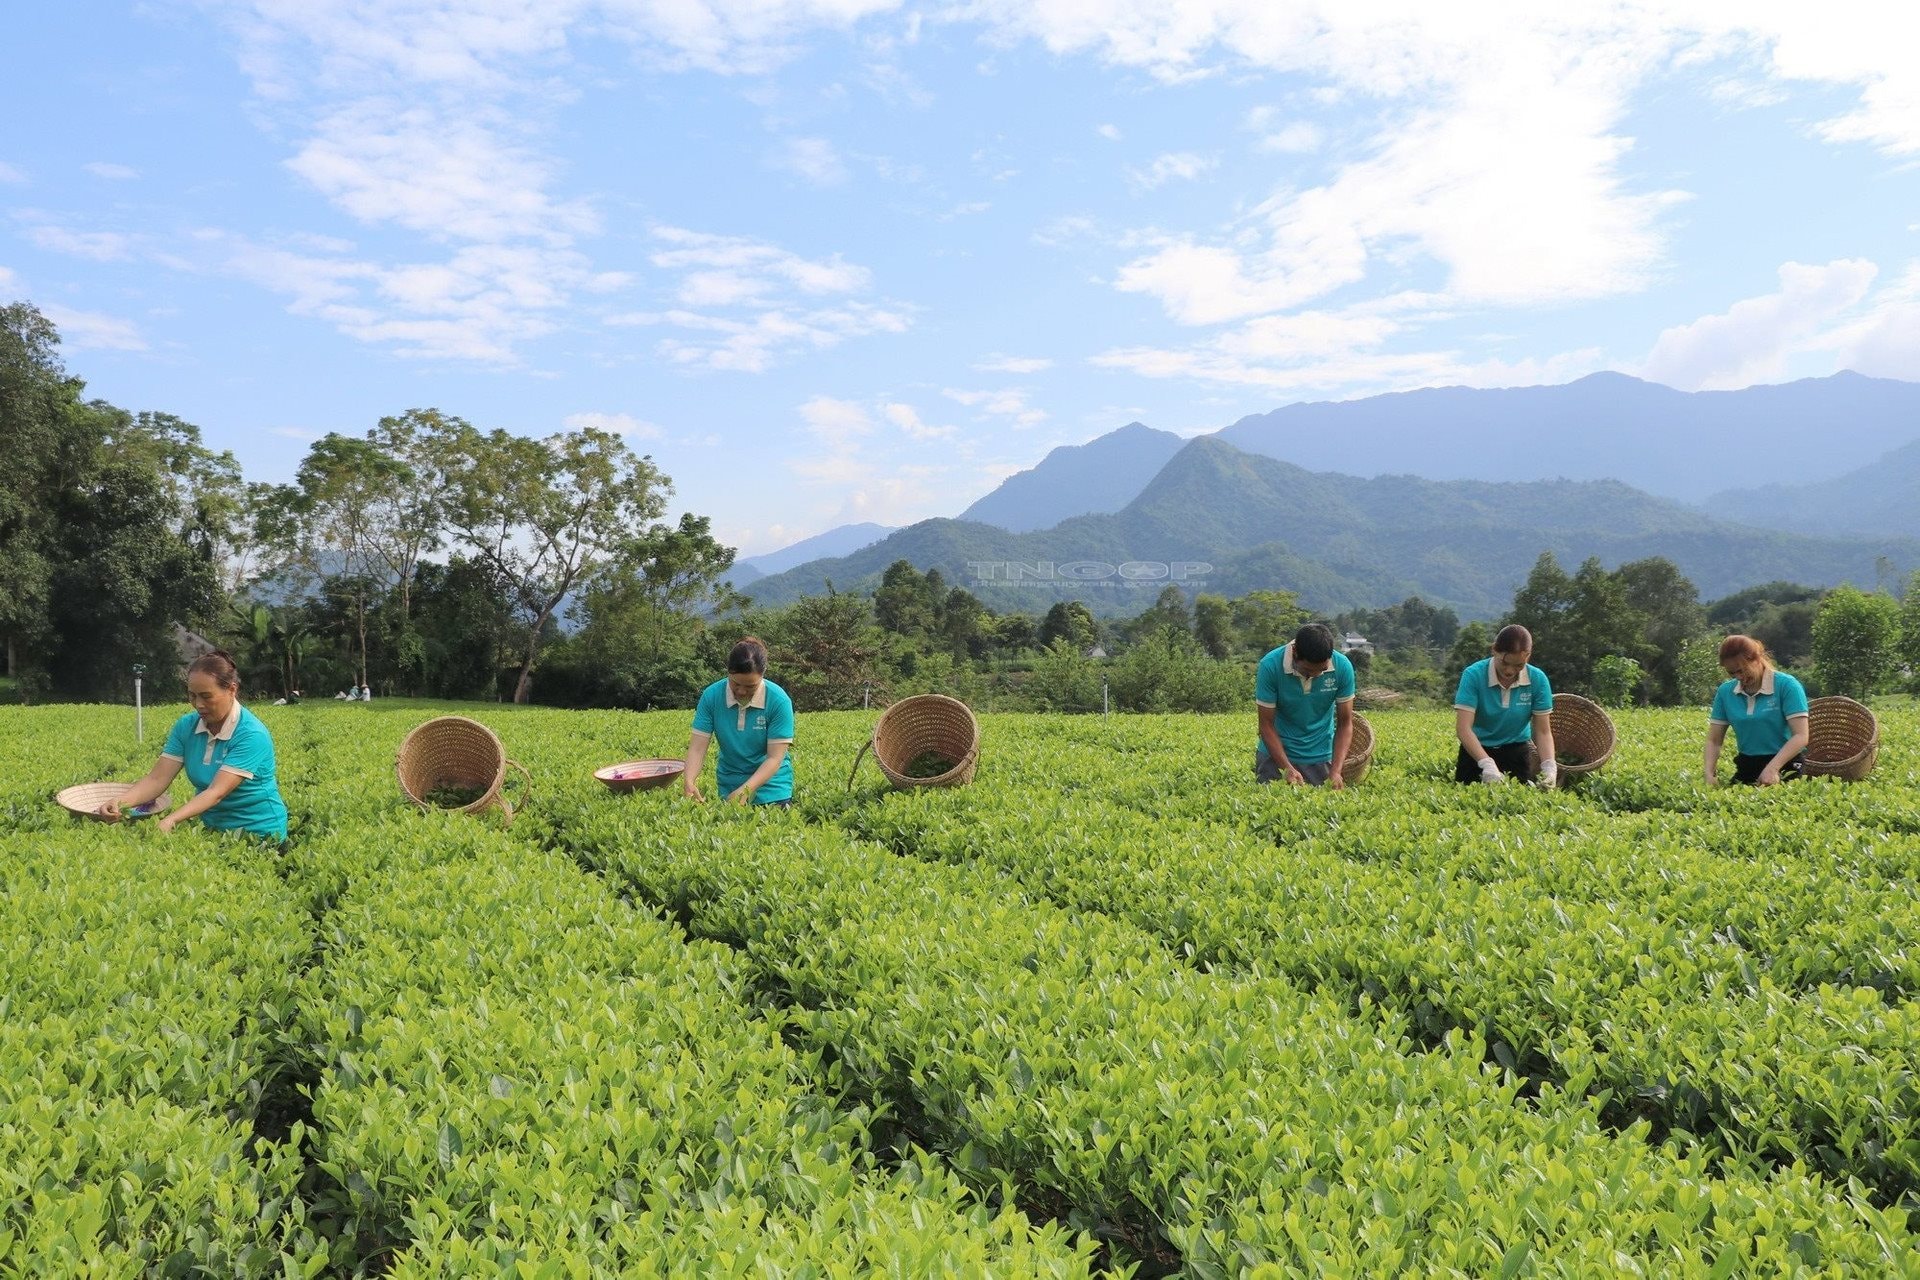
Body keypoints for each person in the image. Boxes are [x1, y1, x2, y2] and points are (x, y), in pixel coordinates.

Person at [99, 650, 290, 840]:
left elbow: (216, 792)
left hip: (258, 833)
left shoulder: (251, 734)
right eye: (192, 696)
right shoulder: (186, 726)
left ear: (232, 690)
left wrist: (171, 820)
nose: (198, 704)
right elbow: (157, 779)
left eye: (206, 696)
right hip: (212, 829)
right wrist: (121, 802)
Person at [682, 637, 795, 807]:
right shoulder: (711, 696)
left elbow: (774, 758)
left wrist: (745, 790)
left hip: (772, 790)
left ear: (762, 675)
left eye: (750, 687)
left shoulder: (778, 700)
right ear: (728, 672)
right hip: (729, 787)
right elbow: (697, 748)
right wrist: (689, 781)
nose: (741, 691)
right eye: (735, 683)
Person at [1253, 622, 1356, 788]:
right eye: (1308, 671)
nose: (1315, 676)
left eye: (1322, 670)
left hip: (1321, 758)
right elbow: (1265, 725)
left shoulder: (1342, 666)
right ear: (1295, 652)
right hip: (1275, 757)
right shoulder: (1270, 665)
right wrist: (1287, 768)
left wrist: (1336, 771)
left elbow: (1345, 723)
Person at [1454, 624, 1558, 785]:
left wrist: (1549, 766)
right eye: (1505, 663)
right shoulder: (1474, 675)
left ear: (1527, 656)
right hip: (1476, 752)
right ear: (1494, 650)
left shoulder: (1537, 679)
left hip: (1516, 753)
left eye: (1518, 665)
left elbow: (1543, 731)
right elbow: (1463, 728)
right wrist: (1486, 763)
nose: (1510, 671)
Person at [1705, 634, 1809, 787]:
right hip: (1747, 764)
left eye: (1742, 670)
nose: (1739, 677)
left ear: (1756, 659)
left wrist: (1773, 768)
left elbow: (1801, 736)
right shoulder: (1725, 692)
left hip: (1785, 763)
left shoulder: (1787, 685)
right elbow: (1714, 740)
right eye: (1732, 673)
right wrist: (1708, 772)